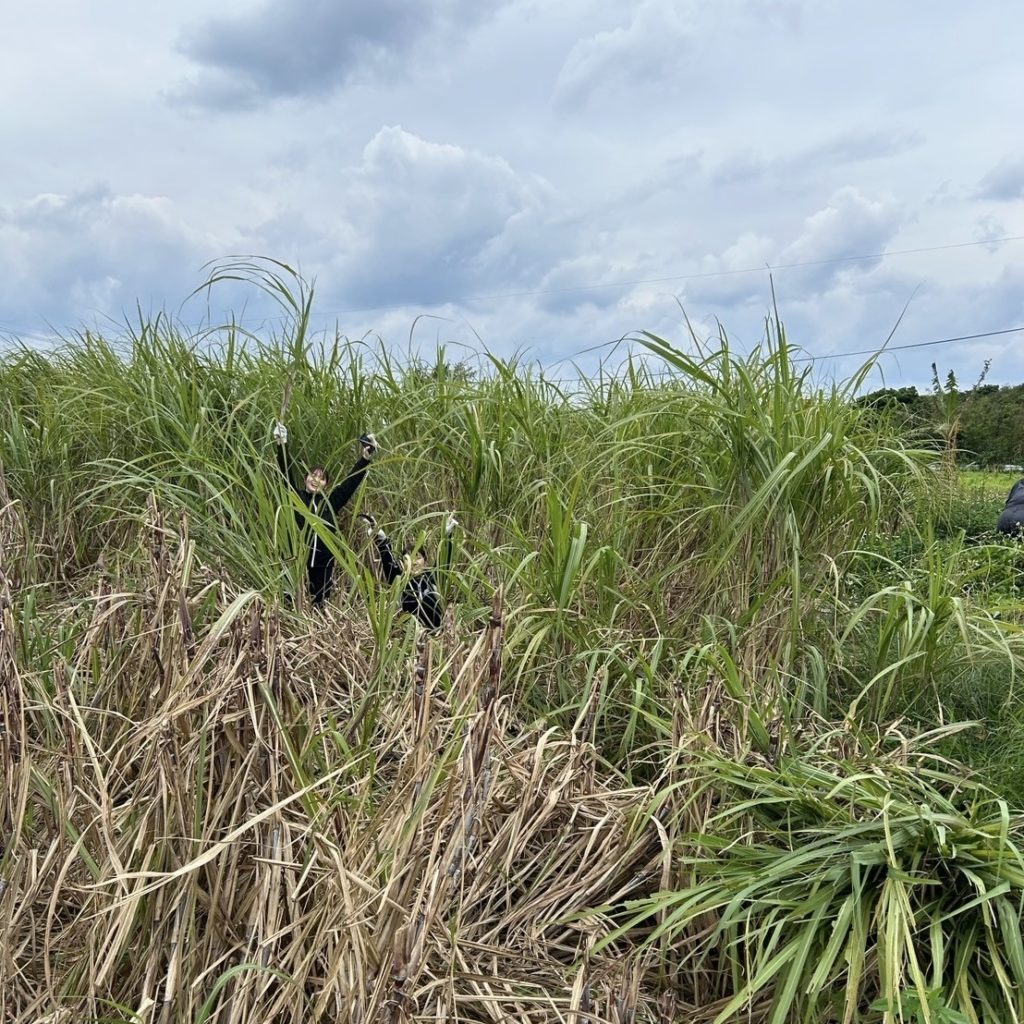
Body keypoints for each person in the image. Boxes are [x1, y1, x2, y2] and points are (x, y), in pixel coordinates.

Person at [273, 420, 377, 607]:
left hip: (323, 563)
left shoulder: (331, 502)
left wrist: (365, 459)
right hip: (297, 562)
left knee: (320, 605)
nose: (316, 480)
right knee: (291, 604)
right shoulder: (295, 497)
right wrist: (282, 445)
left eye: (322, 478)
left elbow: (350, 483)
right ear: (305, 479)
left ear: (326, 485)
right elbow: (284, 475)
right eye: (313, 475)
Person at [359, 512, 459, 630]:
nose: (414, 562)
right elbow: (387, 560)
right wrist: (380, 539)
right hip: (411, 639)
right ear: (403, 563)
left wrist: (446, 537)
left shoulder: (433, 577)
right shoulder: (399, 581)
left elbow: (443, 560)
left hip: (438, 635)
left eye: (418, 557)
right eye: (409, 558)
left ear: (425, 561)